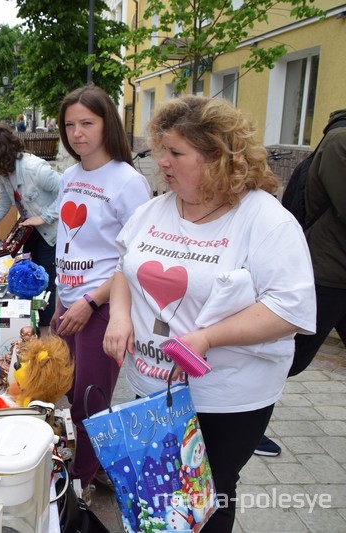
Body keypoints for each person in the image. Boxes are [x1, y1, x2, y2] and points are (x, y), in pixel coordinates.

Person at [103, 96, 315, 533]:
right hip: (153, 385)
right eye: (161, 148)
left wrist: (207, 338)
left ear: (218, 157)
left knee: (210, 494)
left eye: (176, 152)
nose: (161, 161)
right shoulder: (156, 209)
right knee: (164, 491)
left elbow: (289, 309)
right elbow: (125, 268)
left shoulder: (265, 220)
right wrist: (119, 316)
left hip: (227, 397)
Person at [52, 86, 151, 503]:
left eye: (87, 123)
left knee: (90, 401)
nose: (77, 133)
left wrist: (92, 302)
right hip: (65, 299)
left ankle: (80, 484)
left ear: (107, 123)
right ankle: (89, 463)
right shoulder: (70, 176)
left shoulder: (129, 182)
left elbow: (135, 259)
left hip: (102, 307)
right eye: (70, 124)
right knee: (68, 393)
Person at [257, 108, 346, 457]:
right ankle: (251, 422)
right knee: (291, 356)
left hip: (337, 268)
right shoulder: (340, 140)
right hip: (328, 270)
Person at [0, 122, 62, 331]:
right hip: (31, 231)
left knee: (45, 282)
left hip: (52, 234)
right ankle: (31, 326)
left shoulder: (35, 169)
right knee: (28, 278)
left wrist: (44, 217)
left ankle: (44, 333)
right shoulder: (4, 170)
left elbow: (68, 191)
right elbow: (4, 204)